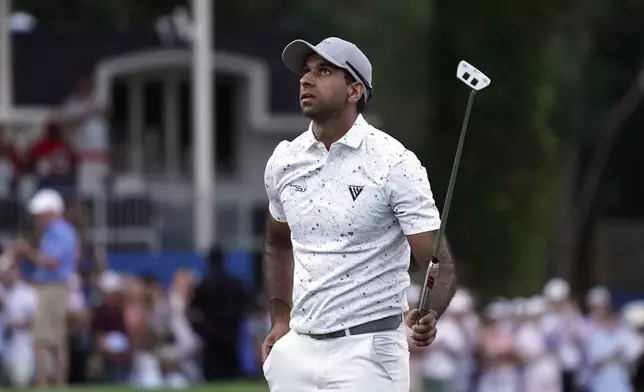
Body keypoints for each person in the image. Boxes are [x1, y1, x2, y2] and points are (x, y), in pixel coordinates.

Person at [261, 37, 457, 392]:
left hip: (369, 352)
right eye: (306, 71)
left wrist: (430, 312)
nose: (306, 79)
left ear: (355, 90)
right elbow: (277, 243)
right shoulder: (284, 161)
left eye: (323, 71)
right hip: (298, 350)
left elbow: (437, 261)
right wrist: (279, 318)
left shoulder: (395, 163)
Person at [11, 188, 78, 388]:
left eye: (40, 214)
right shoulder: (53, 232)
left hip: (54, 288)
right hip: (49, 287)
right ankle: (50, 383)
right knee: (46, 338)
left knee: (50, 339)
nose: (37, 218)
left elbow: (52, 262)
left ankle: (51, 383)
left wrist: (27, 251)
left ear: (51, 211)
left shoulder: (60, 231)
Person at [189, 246, 249, 381]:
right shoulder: (234, 282)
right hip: (231, 329)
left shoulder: (204, 283)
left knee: (212, 369)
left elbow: (194, 308)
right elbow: (246, 302)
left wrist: (199, 327)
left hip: (210, 331)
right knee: (230, 366)